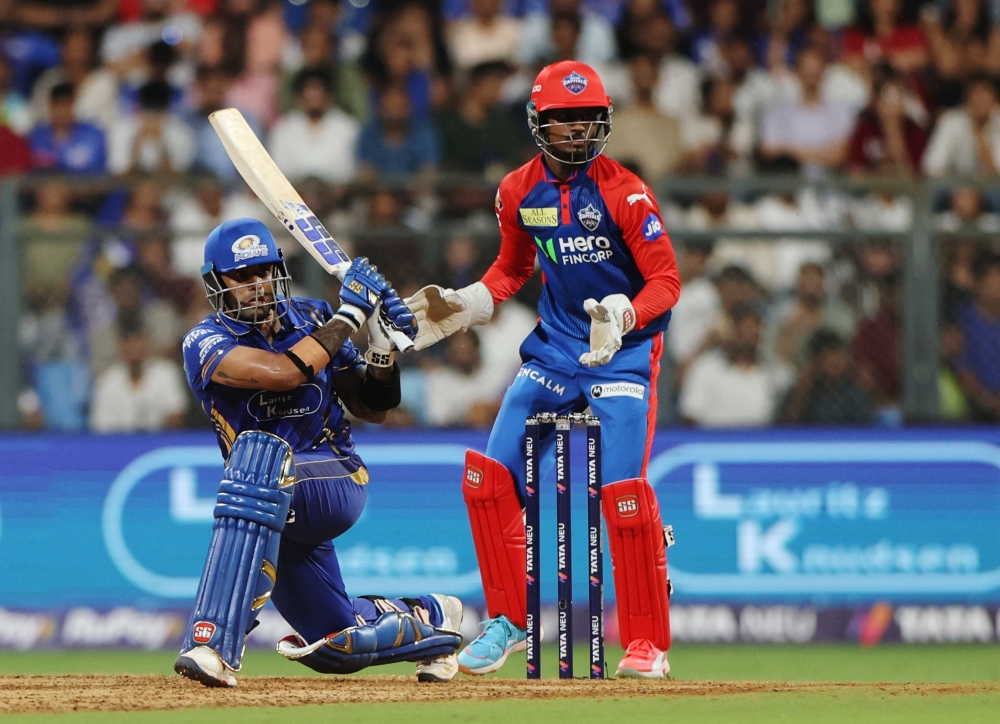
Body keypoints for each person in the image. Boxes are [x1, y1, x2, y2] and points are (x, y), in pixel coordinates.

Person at [406, 61, 681, 679]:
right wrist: (470, 302)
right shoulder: (516, 192)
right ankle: (508, 622)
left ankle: (645, 642)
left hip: (627, 351)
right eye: (564, 123)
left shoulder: (627, 193)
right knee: (488, 480)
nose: (578, 135)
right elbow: (513, 268)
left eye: (589, 122)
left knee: (624, 497)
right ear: (539, 125)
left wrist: (627, 316)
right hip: (558, 346)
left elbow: (667, 280)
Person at [174, 219, 463, 688]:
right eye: (242, 277)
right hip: (270, 513)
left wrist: (382, 349)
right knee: (337, 641)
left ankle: (212, 643)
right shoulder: (204, 342)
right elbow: (279, 373)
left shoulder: (312, 317)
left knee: (257, 466)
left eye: (264, 271)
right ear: (217, 285)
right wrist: (349, 316)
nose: (257, 285)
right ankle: (434, 619)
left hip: (335, 478)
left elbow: (375, 406)